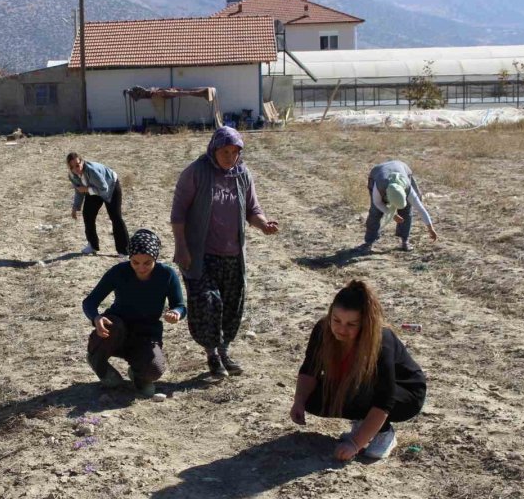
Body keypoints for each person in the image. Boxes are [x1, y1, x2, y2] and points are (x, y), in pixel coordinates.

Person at [170, 127, 279, 378]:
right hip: (200, 253)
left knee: (231, 305)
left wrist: (263, 225)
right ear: (214, 149)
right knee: (208, 302)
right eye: (225, 151)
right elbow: (178, 214)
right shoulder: (196, 173)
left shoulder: (241, 174)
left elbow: (253, 209)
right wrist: (181, 247)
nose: (230, 157)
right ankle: (211, 354)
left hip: (232, 254)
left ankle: (224, 350)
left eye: (235, 152)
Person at [289, 280, 427, 461]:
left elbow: (385, 398)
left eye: (351, 324)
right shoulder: (322, 330)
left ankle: (384, 433)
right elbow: (310, 368)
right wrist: (299, 401)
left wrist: (355, 443)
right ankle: (365, 423)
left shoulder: (380, 339)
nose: (341, 329)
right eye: (336, 320)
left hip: (404, 393)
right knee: (312, 398)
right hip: (359, 386)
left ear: (365, 323)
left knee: (362, 389)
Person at [82, 229, 186, 397]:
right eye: (135, 262)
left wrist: (176, 313)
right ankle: (98, 361)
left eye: (147, 262)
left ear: (156, 258)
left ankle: (138, 374)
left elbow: (180, 306)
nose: (141, 268)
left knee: (155, 370)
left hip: (146, 334)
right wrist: (96, 317)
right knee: (113, 324)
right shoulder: (118, 272)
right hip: (116, 330)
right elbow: (89, 302)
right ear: (129, 258)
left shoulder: (167, 275)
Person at [363, 160, 438, 252]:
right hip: (378, 173)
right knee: (375, 212)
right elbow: (378, 203)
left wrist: (431, 229)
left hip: (402, 168)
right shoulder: (379, 186)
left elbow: (420, 209)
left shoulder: (407, 188)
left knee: (406, 212)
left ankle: (405, 241)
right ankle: (369, 242)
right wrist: (392, 214)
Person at [67, 152, 130, 256]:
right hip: (93, 188)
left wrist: (87, 189)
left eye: (77, 165)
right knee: (88, 214)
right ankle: (92, 245)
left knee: (115, 217)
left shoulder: (92, 171)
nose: (76, 169)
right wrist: (75, 207)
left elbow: (104, 188)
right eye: (72, 167)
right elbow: (79, 191)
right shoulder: (72, 176)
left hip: (110, 186)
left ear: (82, 162)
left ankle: (124, 250)